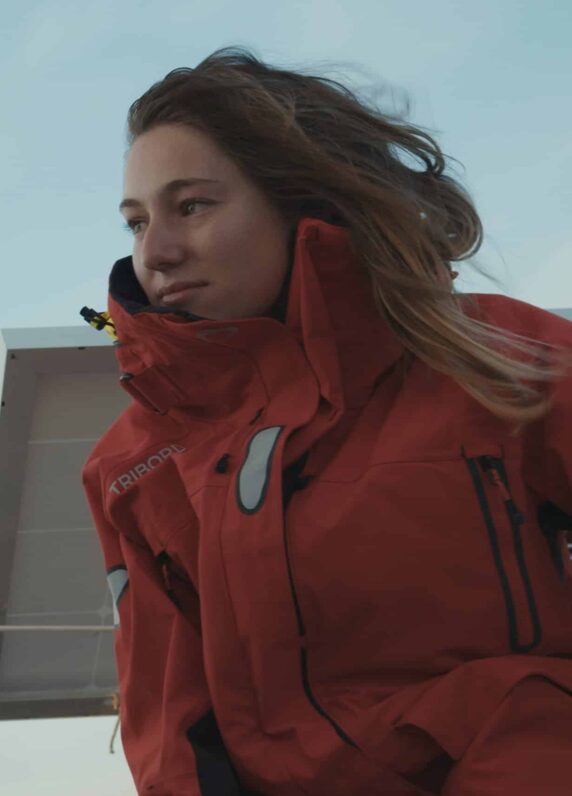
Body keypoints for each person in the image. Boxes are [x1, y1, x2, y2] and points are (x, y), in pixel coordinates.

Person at [83, 49, 572, 795]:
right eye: (136, 221)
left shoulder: (501, 357)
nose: (157, 251)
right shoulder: (131, 465)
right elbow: (170, 725)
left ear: (297, 199)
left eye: (193, 206)